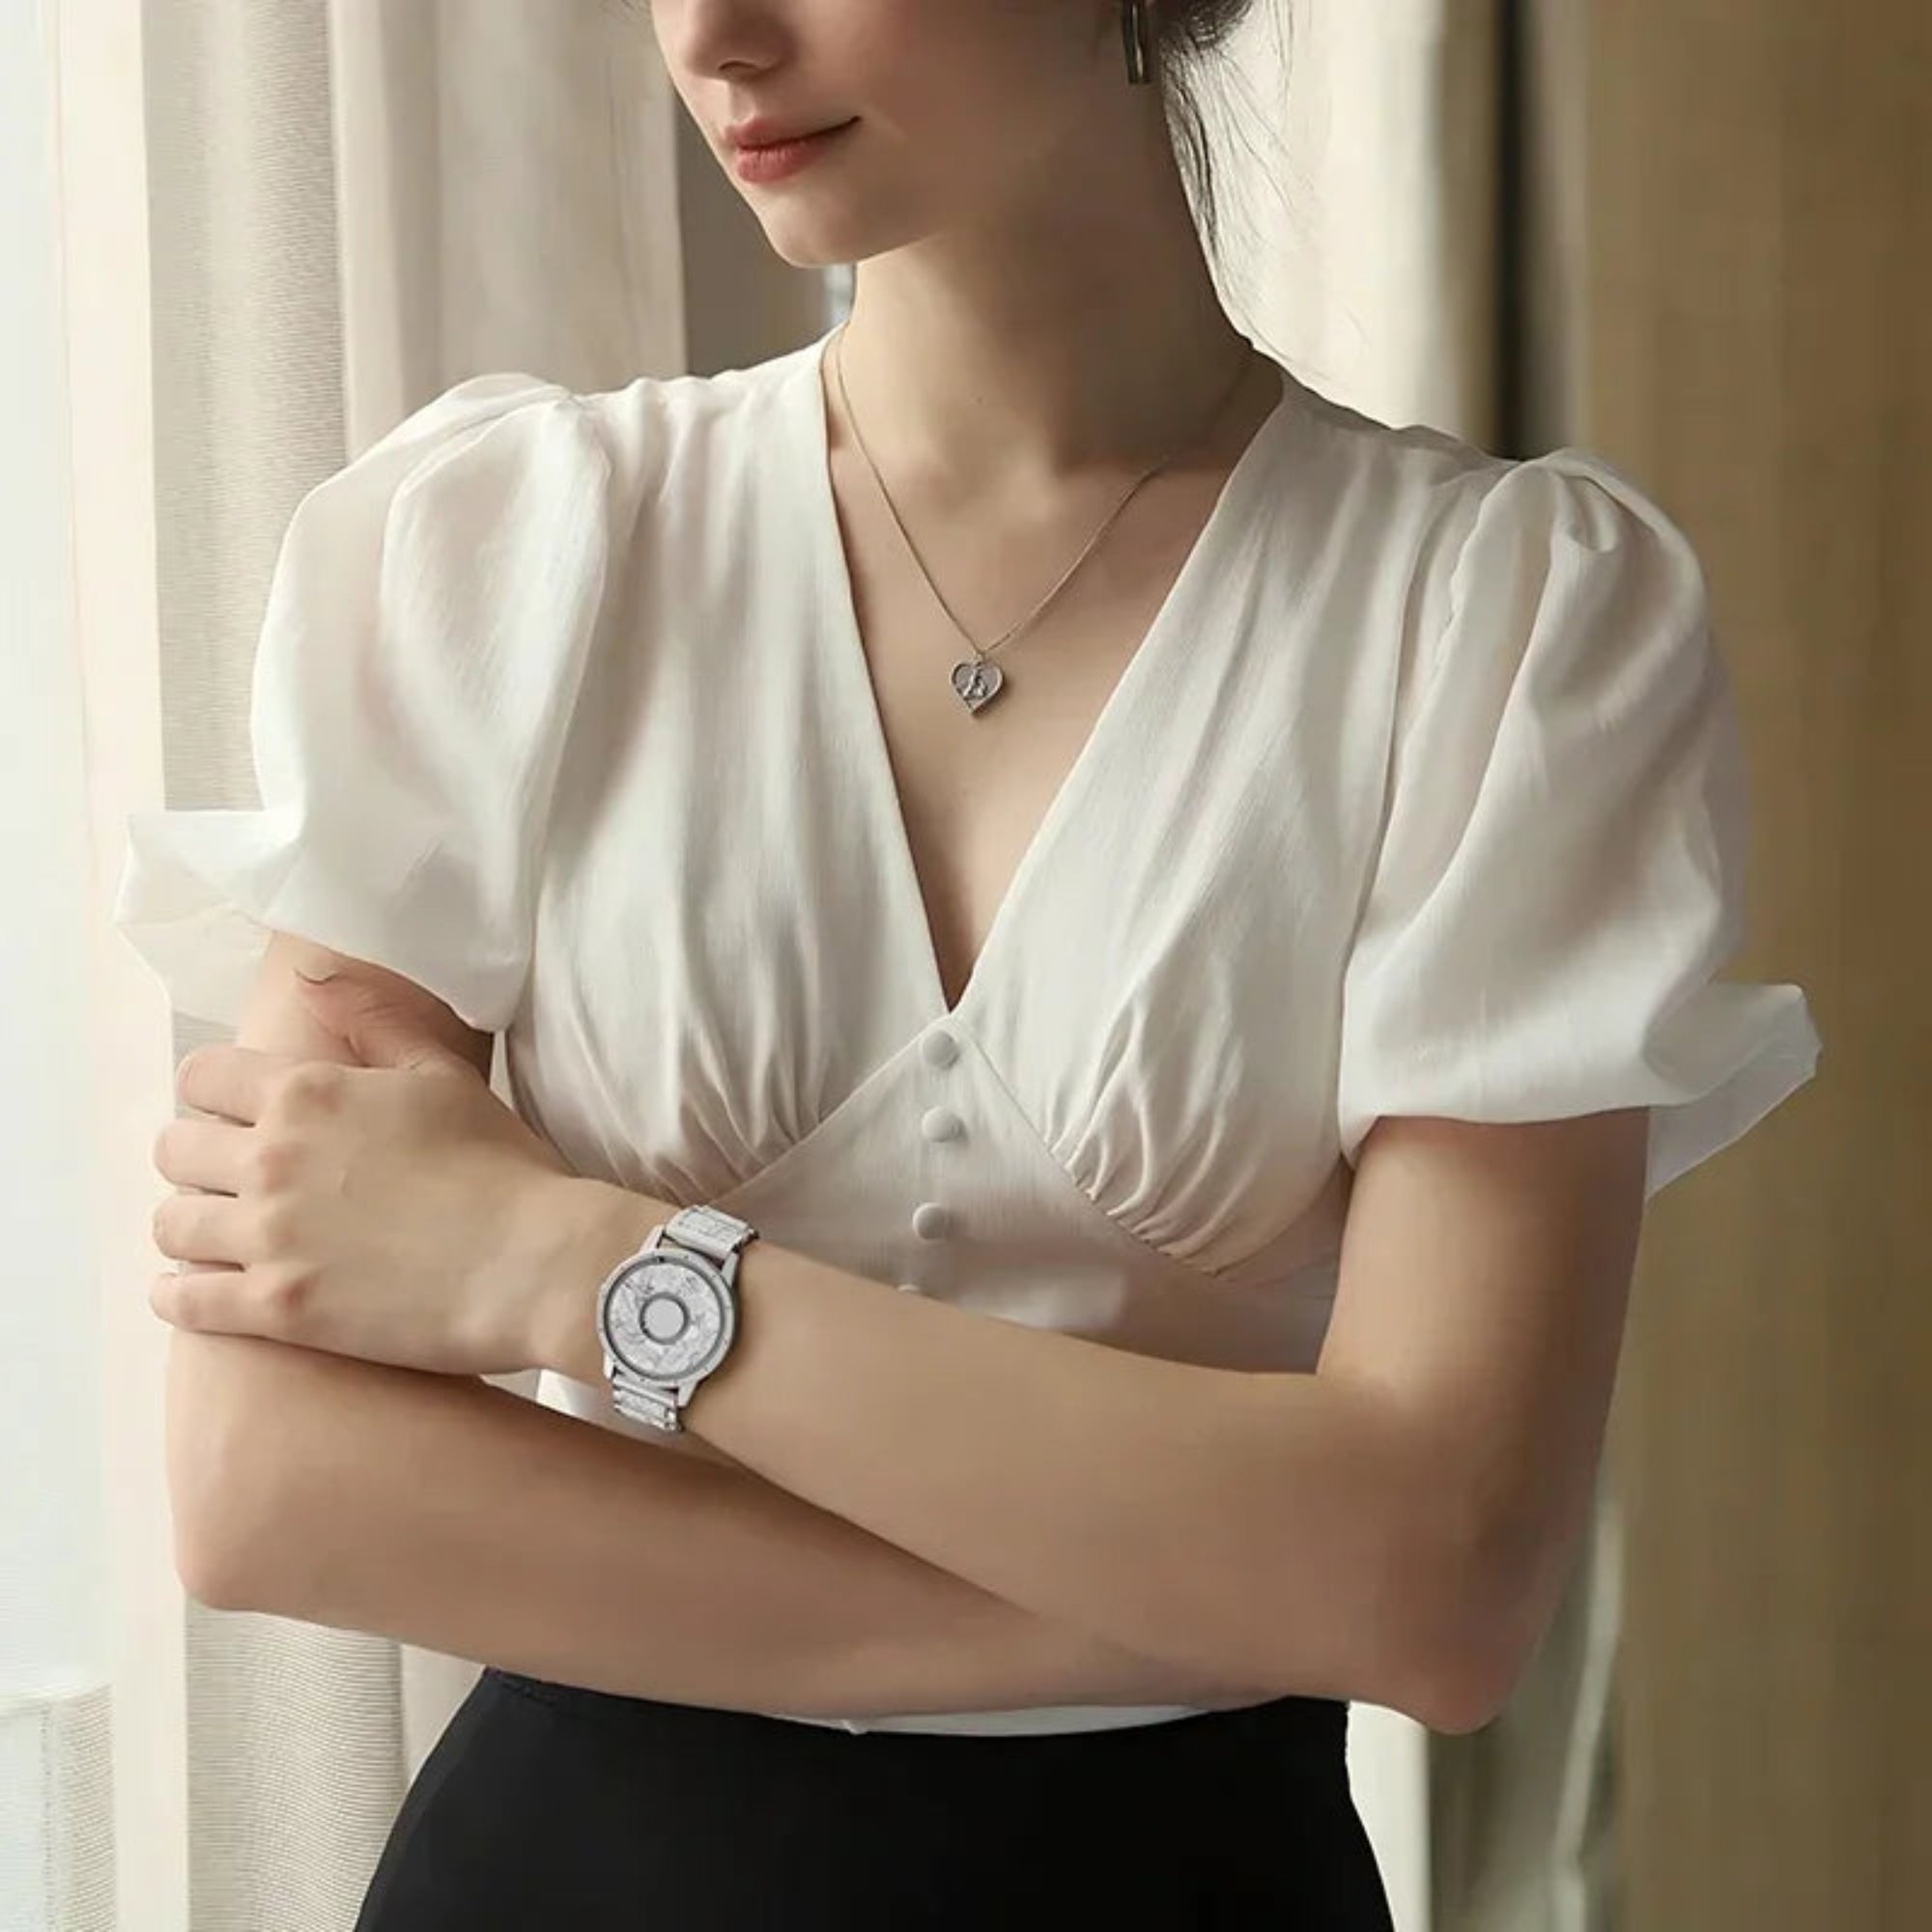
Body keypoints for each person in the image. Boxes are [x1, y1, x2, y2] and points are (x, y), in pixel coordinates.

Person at [113, 1, 1822, 1925]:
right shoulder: (512, 544)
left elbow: (1436, 1571)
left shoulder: (1499, 626)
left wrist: (564, 1262)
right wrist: (1209, 1593)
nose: (713, 37)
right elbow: (262, 1483)